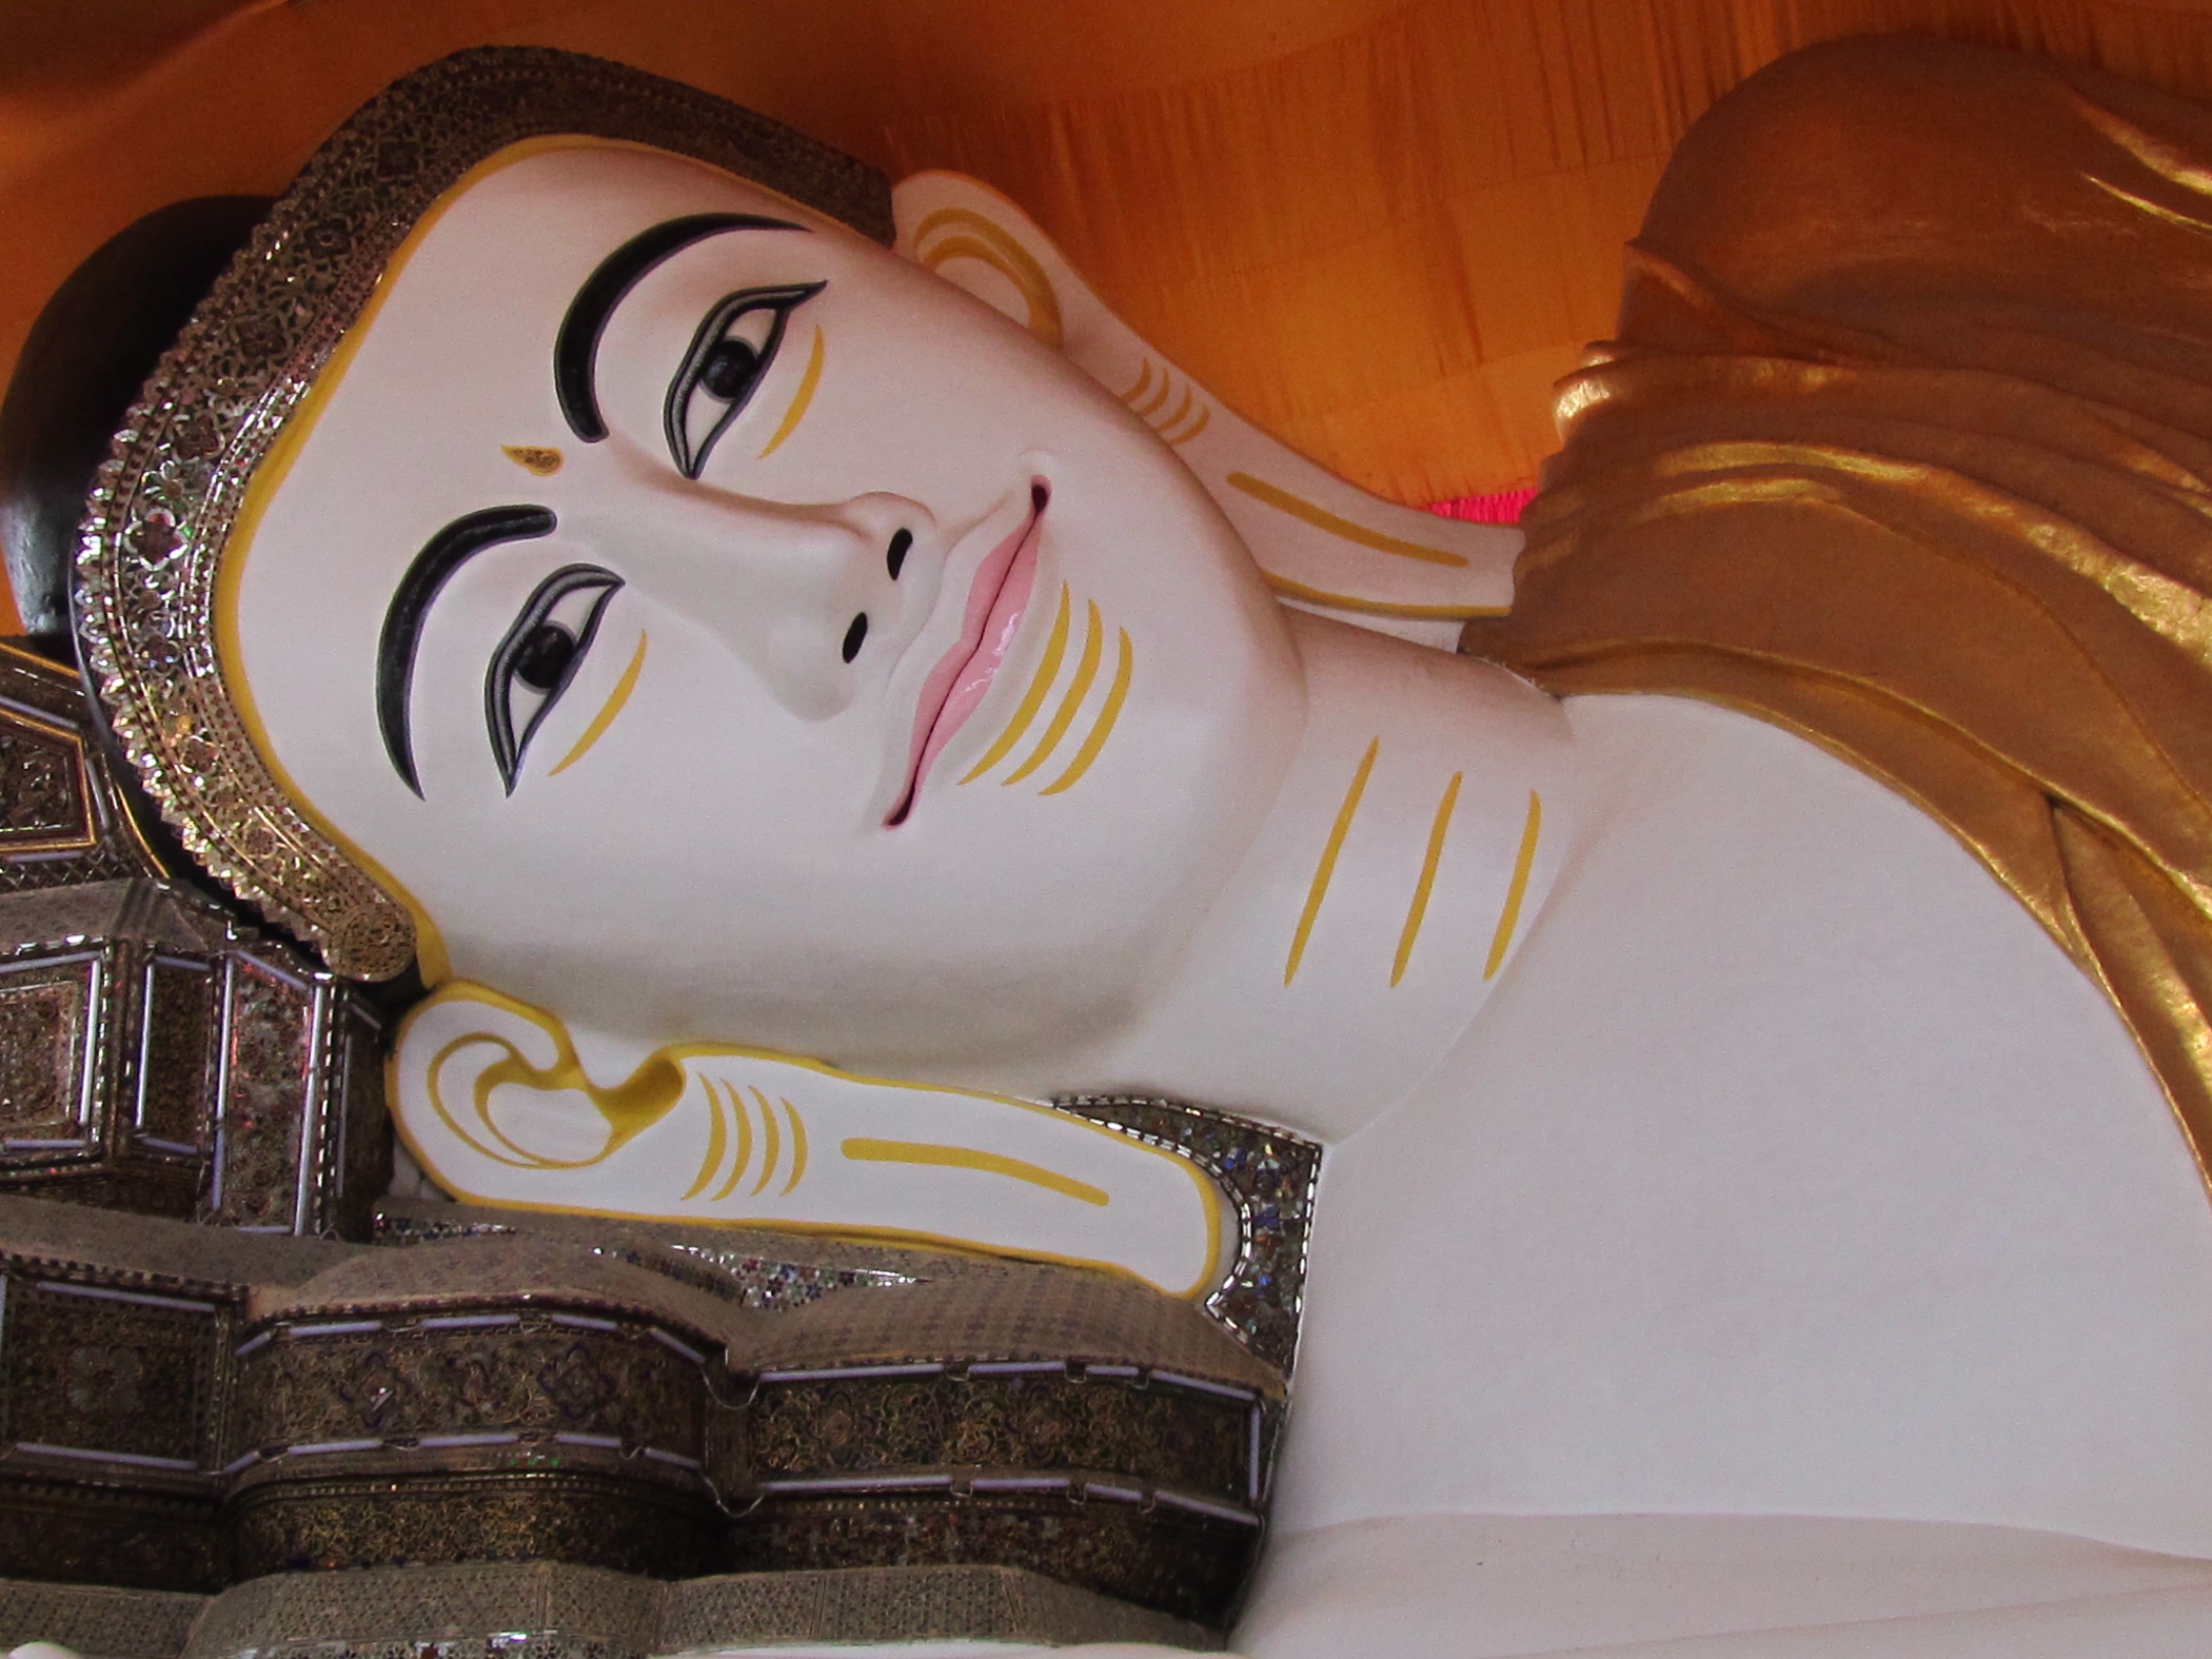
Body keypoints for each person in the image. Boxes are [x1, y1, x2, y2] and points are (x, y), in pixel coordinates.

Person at [54, 35, 2212, 1658]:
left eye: (726, 363)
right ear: (576, 1086)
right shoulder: (1493, 1590)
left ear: (992, 291)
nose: (819, 569)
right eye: (544, 663)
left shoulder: (1850, 242)